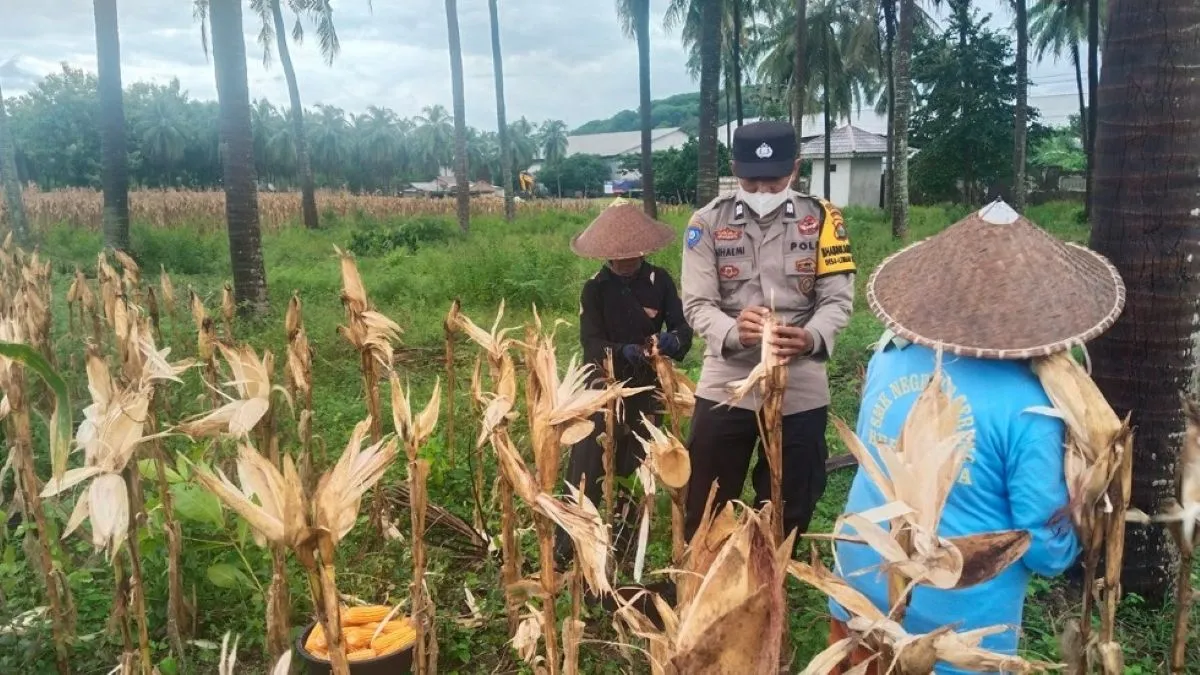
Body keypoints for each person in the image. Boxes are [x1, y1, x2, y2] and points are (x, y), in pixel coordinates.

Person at [828, 200, 1121, 674]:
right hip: (954, 633)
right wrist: (1085, 529)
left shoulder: (890, 352)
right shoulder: (1032, 408)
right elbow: (1042, 545)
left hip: (860, 582)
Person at [680, 120, 855, 543]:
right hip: (728, 377)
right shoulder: (706, 222)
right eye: (750, 180)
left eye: (772, 179)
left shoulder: (822, 219)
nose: (761, 190)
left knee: (791, 501)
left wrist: (811, 337)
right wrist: (734, 329)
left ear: (794, 169)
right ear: (734, 170)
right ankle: (706, 582)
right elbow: (697, 304)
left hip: (800, 379)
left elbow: (837, 300)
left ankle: (770, 582)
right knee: (706, 497)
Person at [555, 199, 694, 567]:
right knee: (588, 461)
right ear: (607, 257)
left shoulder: (660, 281)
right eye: (619, 258)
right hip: (604, 384)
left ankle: (628, 535)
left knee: (641, 461)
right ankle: (568, 542)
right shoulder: (595, 290)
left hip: (648, 385)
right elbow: (591, 344)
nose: (627, 263)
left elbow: (682, 328)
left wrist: (670, 342)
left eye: (633, 256)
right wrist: (624, 351)